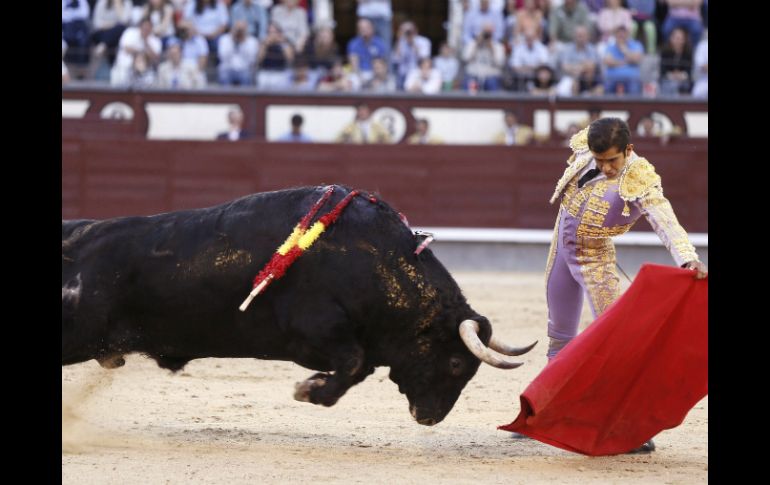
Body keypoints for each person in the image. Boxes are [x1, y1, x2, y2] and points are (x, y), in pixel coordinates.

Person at [543, 118, 707, 452]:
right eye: (599, 160)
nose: (605, 167)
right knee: (559, 333)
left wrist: (687, 258)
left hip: (595, 259)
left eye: (612, 161)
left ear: (628, 150)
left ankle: (627, 425)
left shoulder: (639, 176)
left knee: (616, 344)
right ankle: (545, 410)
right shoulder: (586, 148)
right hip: (561, 246)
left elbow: (664, 220)